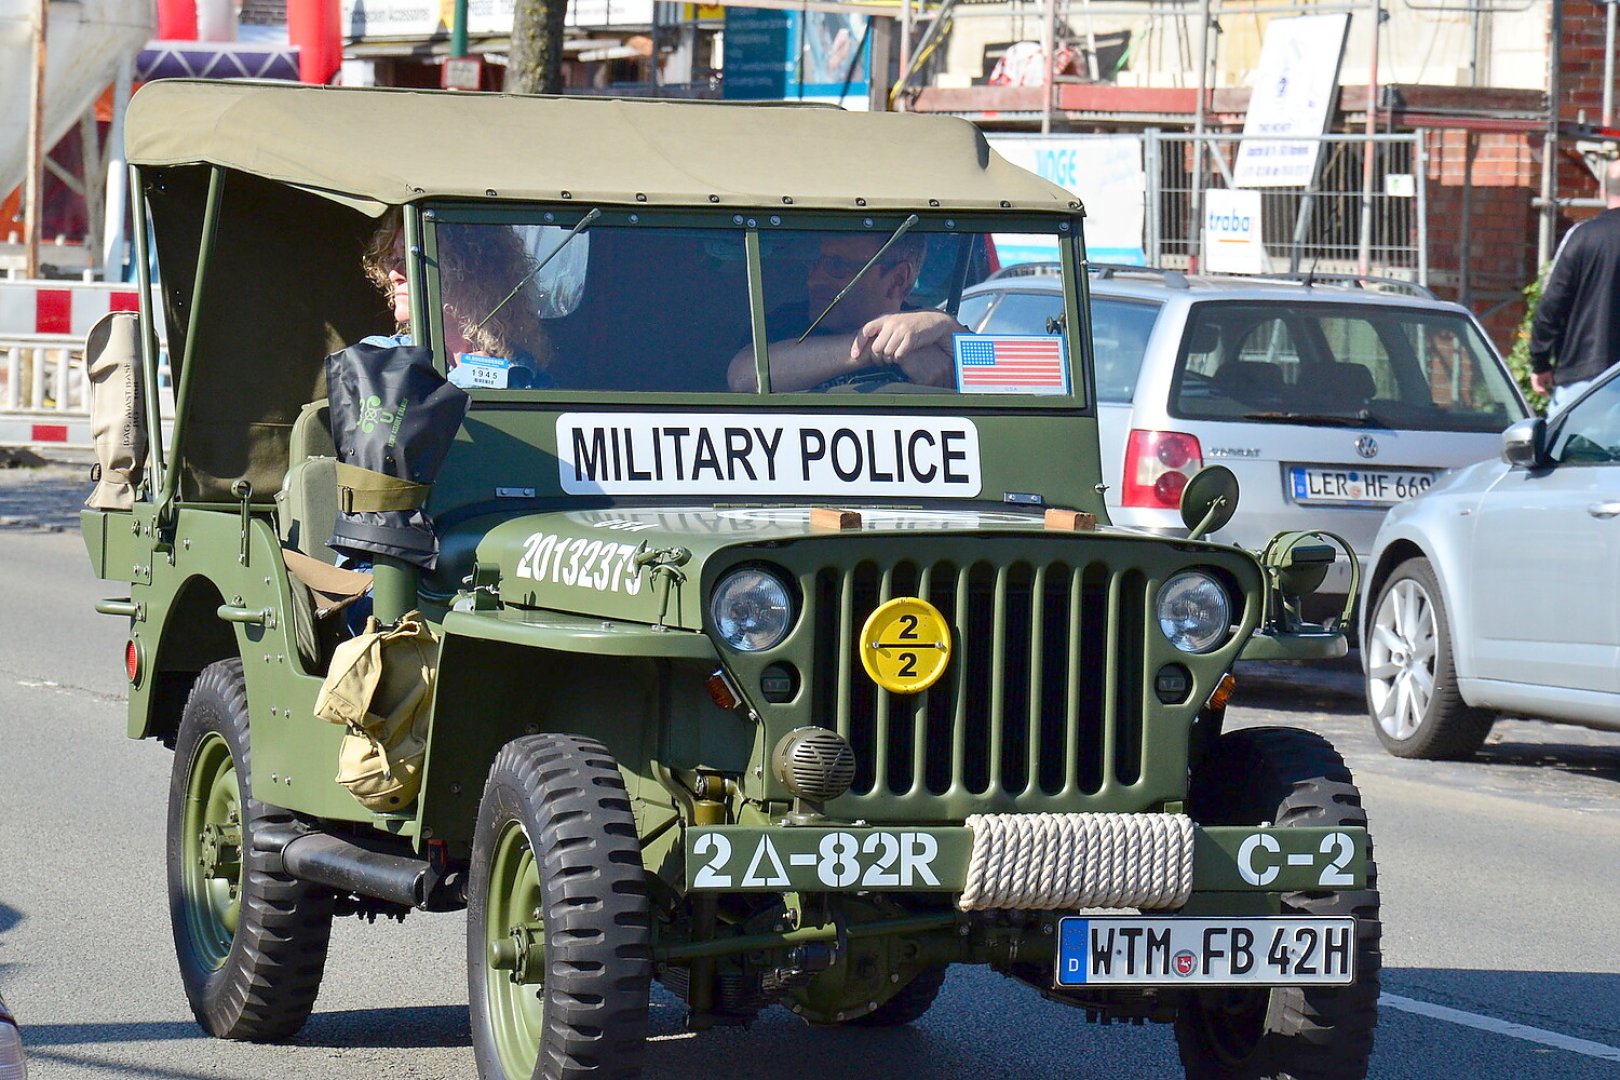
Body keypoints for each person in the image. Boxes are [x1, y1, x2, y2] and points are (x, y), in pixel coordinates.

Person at [727, 233, 965, 392]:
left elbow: (1001, 381)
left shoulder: (931, 334)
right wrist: (874, 347)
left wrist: (946, 327)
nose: (813, 280)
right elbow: (743, 376)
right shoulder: (787, 323)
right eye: (815, 263)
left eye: (837, 266)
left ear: (897, 281)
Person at [361, 214, 552, 389]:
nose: (394, 274)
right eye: (393, 260)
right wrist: (470, 379)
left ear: (471, 268)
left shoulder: (525, 375)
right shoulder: (380, 358)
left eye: (412, 260)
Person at [1529, 158, 1620, 416]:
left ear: (1602, 192)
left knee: (1566, 454)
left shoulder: (1582, 236)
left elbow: (1553, 304)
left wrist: (1540, 362)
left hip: (1583, 375)